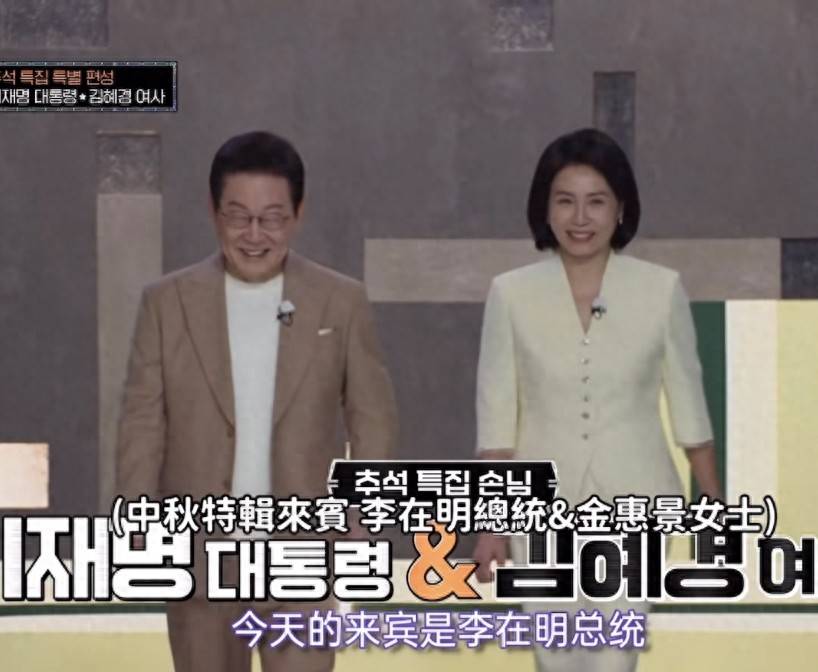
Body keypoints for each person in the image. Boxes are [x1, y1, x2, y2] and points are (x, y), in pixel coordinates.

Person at [116, 130, 399, 672]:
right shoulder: (166, 303)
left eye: (271, 218)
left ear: (298, 213)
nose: (253, 234)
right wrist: (136, 521)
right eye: (238, 216)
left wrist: (360, 518)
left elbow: (372, 419)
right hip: (199, 557)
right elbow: (142, 423)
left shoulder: (340, 301)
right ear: (212, 210)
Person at [472, 128, 722, 671]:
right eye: (565, 201)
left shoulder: (660, 288)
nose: (580, 218)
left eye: (597, 202)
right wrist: (491, 525)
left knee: (614, 658)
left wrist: (713, 506)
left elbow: (690, 405)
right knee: (556, 658)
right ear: (545, 209)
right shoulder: (510, 293)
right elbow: (496, 422)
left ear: (621, 209)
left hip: (638, 501)